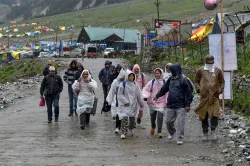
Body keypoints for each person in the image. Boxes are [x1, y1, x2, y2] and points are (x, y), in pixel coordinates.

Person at [156, 64, 193, 145]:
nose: (170, 71)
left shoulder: (184, 80)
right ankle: (172, 132)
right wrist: (157, 95)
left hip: (181, 105)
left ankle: (180, 138)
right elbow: (164, 89)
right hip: (170, 104)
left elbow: (189, 93)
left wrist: (187, 104)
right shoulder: (170, 79)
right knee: (168, 121)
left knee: (180, 123)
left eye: (171, 69)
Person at [194, 56, 225, 141]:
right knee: (204, 115)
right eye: (208, 62)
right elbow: (196, 81)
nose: (210, 64)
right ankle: (205, 133)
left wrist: (221, 89)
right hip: (204, 97)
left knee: (215, 114)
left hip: (214, 97)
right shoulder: (200, 70)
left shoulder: (218, 70)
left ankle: (213, 131)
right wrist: (198, 89)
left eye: (211, 62)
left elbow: (222, 81)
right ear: (206, 62)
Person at [117, 70, 144, 139]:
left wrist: (141, 102)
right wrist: (125, 102)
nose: (131, 77)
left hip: (133, 104)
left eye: (132, 76)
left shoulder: (135, 84)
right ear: (127, 76)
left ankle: (131, 128)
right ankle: (123, 132)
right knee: (124, 118)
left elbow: (139, 94)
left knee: (132, 119)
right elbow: (119, 94)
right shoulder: (123, 84)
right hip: (125, 104)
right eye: (130, 76)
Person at [142, 68, 167, 138]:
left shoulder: (165, 82)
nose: (156, 74)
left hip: (161, 102)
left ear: (161, 74)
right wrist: (145, 96)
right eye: (155, 73)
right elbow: (146, 89)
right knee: (153, 118)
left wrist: (167, 100)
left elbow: (167, 92)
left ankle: (159, 131)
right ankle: (153, 126)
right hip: (152, 102)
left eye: (158, 73)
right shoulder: (151, 82)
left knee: (160, 116)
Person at [106, 68, 126, 133]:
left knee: (124, 114)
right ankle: (117, 127)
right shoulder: (115, 81)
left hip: (125, 100)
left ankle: (123, 127)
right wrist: (109, 99)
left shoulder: (127, 82)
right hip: (117, 99)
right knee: (118, 113)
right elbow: (112, 91)